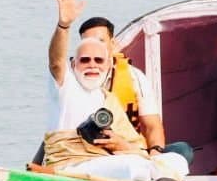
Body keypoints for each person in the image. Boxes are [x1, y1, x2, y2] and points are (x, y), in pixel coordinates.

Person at [45, 0, 189, 181]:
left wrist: (124, 145)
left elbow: (144, 135)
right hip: (73, 164)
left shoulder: (109, 97)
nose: (92, 66)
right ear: (74, 63)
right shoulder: (65, 85)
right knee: (132, 166)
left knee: (177, 159)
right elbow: (56, 62)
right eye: (85, 60)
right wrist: (63, 25)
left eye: (98, 60)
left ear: (109, 61)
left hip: (108, 160)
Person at [77, 15, 194, 165]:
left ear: (112, 44)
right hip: (90, 151)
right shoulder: (74, 77)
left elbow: (152, 125)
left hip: (131, 149)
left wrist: (154, 156)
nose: (95, 49)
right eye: (88, 43)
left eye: (100, 42)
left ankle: (155, 176)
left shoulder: (134, 76)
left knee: (183, 151)